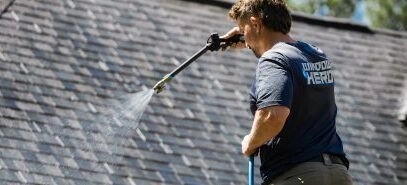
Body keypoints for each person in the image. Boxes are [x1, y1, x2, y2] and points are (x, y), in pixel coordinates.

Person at [221, 0, 353, 184]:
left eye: (243, 30)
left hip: (298, 175)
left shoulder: (273, 59)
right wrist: (251, 37)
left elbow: (272, 115)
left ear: (256, 24)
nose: (245, 39)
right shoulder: (316, 55)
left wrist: (251, 143)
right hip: (338, 174)